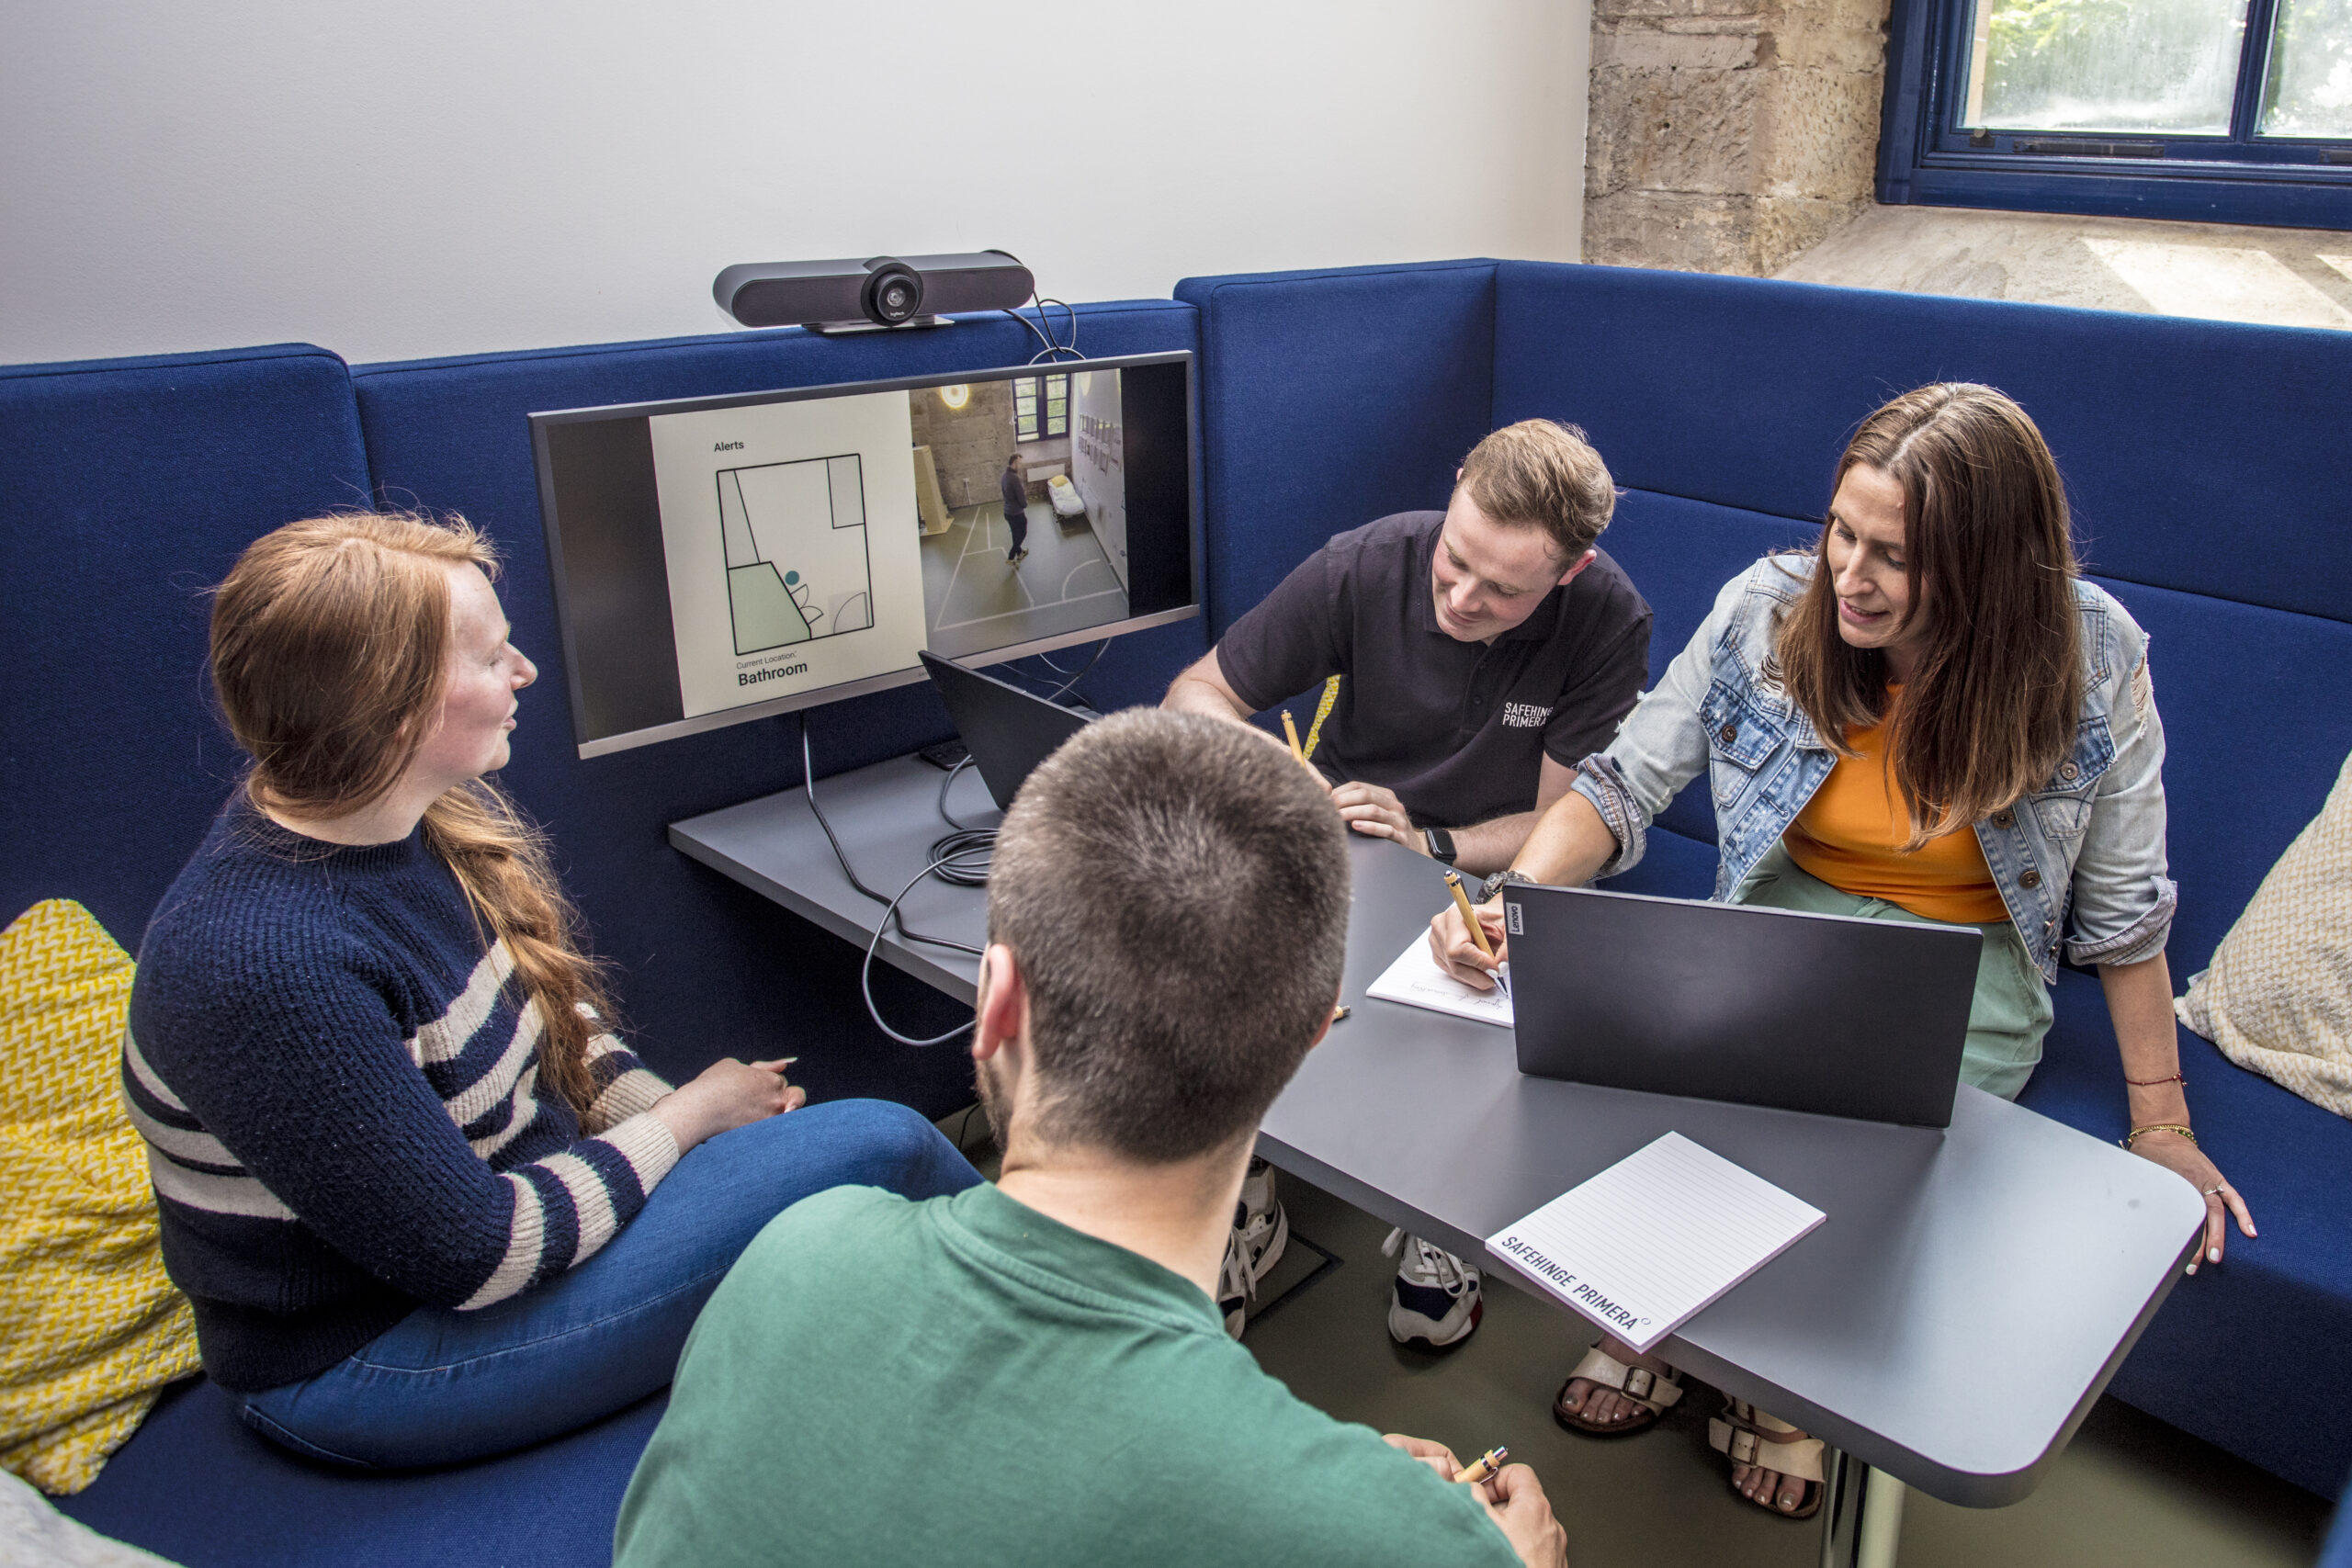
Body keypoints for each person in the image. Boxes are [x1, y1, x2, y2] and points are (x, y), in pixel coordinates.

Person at [1430, 384, 2256, 1519]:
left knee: (1863, 1162)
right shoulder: (1765, 609)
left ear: (1985, 566)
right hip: (1779, 914)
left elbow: (2124, 911)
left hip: (1962, 959)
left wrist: (2161, 1124)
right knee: (1663, 1091)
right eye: (1840, 533)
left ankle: (1765, 1383)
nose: (1850, 577)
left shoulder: (2092, 650)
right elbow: (1624, 783)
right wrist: (1512, 903)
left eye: (1894, 557)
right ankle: (1654, 1323)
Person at [122, 512, 981, 1469]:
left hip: (504, 1242)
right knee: (885, 1144)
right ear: (392, 708)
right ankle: (1082, 1337)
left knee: (834, 1193)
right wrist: (693, 1117)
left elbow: (553, 1032)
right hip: (371, 1358)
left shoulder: (401, 821)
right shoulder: (262, 967)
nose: (525, 671)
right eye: (492, 657)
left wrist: (685, 1123)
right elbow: (480, 1253)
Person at [613, 710, 1569, 1568]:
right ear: (1310, 1036)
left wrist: (1324, 1494)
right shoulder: (1402, 1541)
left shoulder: (789, 1253)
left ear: (993, 1001)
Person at [1164, 418, 1652, 1349]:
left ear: (1569, 572)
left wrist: (1434, 841)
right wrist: (1283, 786)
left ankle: (1448, 1214)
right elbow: (1197, 694)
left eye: (1502, 590)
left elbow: (1568, 820)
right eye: (1454, 561)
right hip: (1343, 836)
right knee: (1215, 966)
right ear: (1458, 481)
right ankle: (1243, 1193)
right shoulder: (1367, 562)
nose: (1462, 598)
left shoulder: (1607, 618)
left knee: (1501, 983)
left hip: (1488, 860)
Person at [1000, 450, 1031, 564]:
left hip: (1007, 512)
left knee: (1015, 533)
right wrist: (1025, 504)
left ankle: (1020, 552)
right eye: (1019, 463)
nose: (1020, 465)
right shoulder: (1014, 478)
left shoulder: (1004, 476)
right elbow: (1021, 496)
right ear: (1014, 463)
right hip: (1016, 513)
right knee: (1023, 532)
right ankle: (1011, 556)